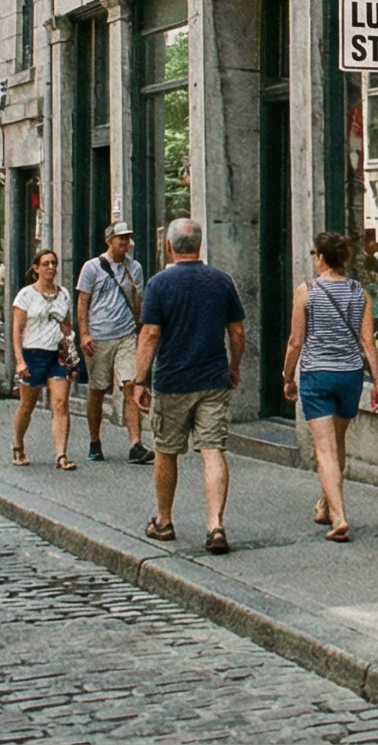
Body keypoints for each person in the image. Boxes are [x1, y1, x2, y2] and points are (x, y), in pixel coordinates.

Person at [132, 219, 246, 554]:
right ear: (200, 245)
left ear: (169, 247)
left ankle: (164, 521)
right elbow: (237, 330)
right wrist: (234, 366)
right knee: (212, 450)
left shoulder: (159, 284)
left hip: (172, 381)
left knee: (167, 451)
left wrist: (140, 380)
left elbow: (150, 334)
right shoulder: (221, 281)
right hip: (212, 379)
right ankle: (215, 524)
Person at [281, 233, 378, 542]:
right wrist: (377, 381)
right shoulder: (358, 292)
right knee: (337, 443)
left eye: (314, 253)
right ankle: (326, 505)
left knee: (324, 449)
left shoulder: (307, 291)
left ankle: (339, 518)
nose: (314, 258)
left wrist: (288, 376)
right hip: (350, 375)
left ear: (322, 258)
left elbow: (295, 341)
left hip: (318, 375)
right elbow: (368, 342)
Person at [75, 223, 154, 465]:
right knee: (98, 390)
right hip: (99, 336)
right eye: (121, 238)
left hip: (126, 334)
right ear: (109, 241)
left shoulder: (135, 267)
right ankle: (95, 441)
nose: (125, 242)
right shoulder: (92, 267)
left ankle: (135, 444)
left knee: (130, 384)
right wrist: (84, 334)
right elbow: (83, 302)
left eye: (128, 238)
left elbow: (138, 299)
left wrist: (140, 328)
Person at [10, 248, 76, 469]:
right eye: (46, 263)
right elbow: (17, 330)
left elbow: (67, 325)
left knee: (60, 403)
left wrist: (70, 347)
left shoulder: (63, 294)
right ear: (36, 268)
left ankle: (61, 455)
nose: (51, 267)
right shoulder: (26, 295)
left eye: (54, 263)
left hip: (57, 355)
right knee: (27, 405)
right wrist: (20, 360)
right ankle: (18, 444)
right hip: (33, 353)